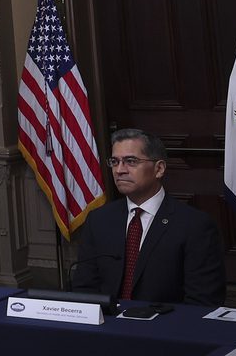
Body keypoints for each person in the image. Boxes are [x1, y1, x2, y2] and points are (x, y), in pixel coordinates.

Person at [72, 128, 225, 305]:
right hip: (107, 324)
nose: (120, 170)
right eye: (115, 161)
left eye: (130, 161)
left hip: (163, 328)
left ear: (159, 169)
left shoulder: (195, 226)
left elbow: (202, 302)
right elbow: (84, 288)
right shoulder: (99, 220)